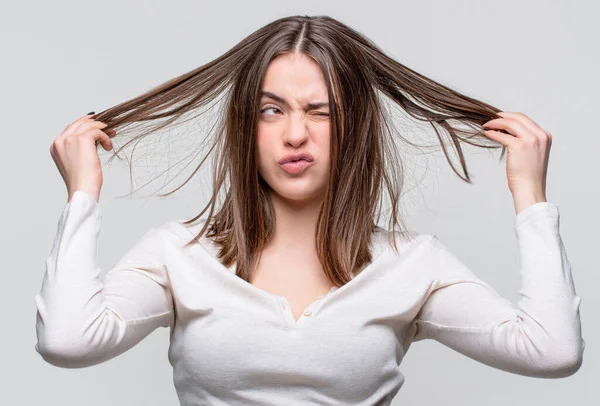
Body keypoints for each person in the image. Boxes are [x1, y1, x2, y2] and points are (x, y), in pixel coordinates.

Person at [35, 14, 585, 406]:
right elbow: (66, 341)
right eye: (271, 110)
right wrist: (82, 194)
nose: (294, 135)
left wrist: (530, 197)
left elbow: (553, 351)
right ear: (244, 128)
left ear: (355, 128)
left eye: (320, 112)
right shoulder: (178, 255)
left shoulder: (414, 264)